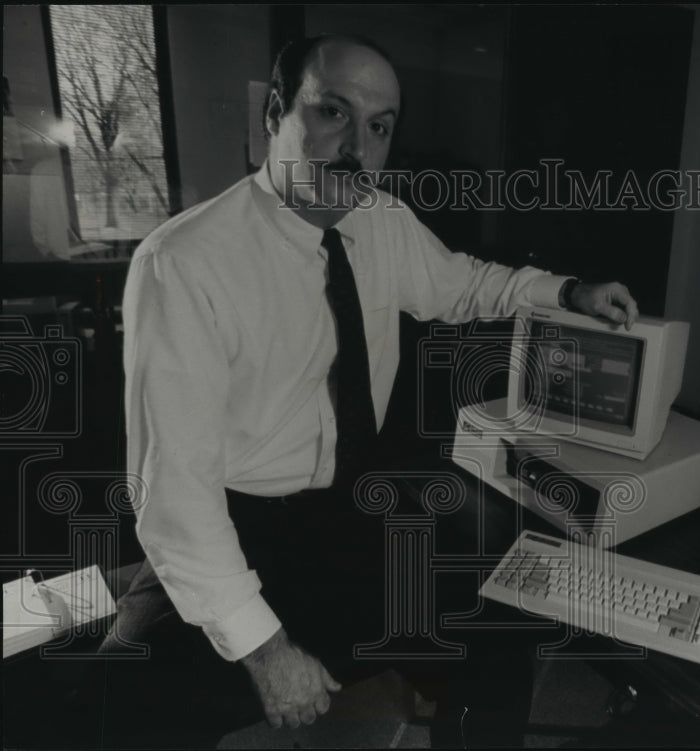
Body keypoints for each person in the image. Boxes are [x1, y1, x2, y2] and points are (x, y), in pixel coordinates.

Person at [97, 32, 639, 747]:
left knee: (505, 618)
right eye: (332, 112)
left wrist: (568, 289)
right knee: (111, 711)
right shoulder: (183, 262)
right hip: (237, 523)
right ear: (275, 115)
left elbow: (464, 283)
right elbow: (174, 491)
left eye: (378, 126)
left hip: (355, 511)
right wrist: (265, 648)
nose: (356, 145)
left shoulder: (382, 220)